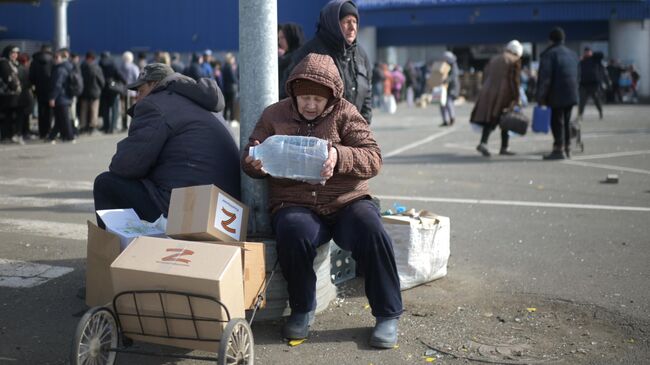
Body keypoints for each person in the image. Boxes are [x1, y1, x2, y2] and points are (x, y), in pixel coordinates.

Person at [242, 53, 403, 348]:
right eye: (304, 98)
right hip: (296, 203)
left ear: (332, 97)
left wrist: (339, 155)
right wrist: (252, 162)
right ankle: (302, 309)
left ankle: (387, 314)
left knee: (372, 228)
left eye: (318, 100)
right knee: (292, 230)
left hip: (346, 201)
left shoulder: (346, 113)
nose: (311, 105)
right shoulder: (274, 115)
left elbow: (374, 158)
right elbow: (251, 151)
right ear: (293, 92)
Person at [93, 63, 240, 227]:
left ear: (154, 84)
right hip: (228, 212)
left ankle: (116, 250)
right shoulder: (203, 103)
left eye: (140, 91)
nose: (138, 98)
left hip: (188, 211)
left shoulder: (155, 104)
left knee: (105, 184)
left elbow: (125, 165)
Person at [290, 0, 373, 124]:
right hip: (319, 135)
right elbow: (292, 95)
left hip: (352, 131)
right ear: (333, 23)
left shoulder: (361, 54)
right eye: (346, 22)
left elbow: (367, 93)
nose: (352, 28)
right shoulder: (311, 53)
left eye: (355, 22)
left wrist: (363, 124)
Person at [470, 40, 523, 156]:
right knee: (506, 119)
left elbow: (485, 75)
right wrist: (517, 97)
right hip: (503, 94)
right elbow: (514, 81)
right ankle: (503, 147)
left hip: (488, 91)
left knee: (491, 119)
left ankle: (484, 143)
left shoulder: (494, 59)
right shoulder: (515, 61)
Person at [536, 27, 579, 160]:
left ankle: (558, 149)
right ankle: (568, 147)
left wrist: (541, 96)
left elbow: (545, 78)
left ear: (550, 40)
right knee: (566, 121)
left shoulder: (549, 55)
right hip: (572, 92)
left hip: (556, 93)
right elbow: (579, 75)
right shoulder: (573, 54)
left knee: (557, 121)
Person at [47, 48, 75, 143]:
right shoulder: (68, 67)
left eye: (56, 57)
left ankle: (69, 136)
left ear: (61, 58)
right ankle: (54, 136)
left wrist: (52, 98)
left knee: (63, 118)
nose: (54, 59)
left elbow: (57, 85)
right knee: (60, 118)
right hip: (65, 97)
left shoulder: (60, 69)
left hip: (61, 97)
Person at [29, 44, 54, 139]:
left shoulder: (34, 61)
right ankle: (48, 131)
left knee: (41, 111)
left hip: (39, 90)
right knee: (49, 112)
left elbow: (31, 77)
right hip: (50, 90)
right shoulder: (52, 61)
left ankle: (42, 132)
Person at [0, 45, 23, 143]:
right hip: (6, 94)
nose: (15, 55)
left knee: (12, 115)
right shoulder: (4, 63)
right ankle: (7, 135)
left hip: (14, 94)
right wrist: (16, 86)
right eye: (13, 53)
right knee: (7, 116)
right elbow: (8, 78)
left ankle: (12, 134)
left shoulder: (14, 63)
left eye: (16, 53)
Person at [79, 51, 105, 134]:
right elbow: (101, 81)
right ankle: (93, 126)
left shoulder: (81, 67)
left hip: (84, 92)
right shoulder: (96, 67)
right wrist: (100, 88)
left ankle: (83, 126)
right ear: (92, 58)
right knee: (94, 110)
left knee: (84, 109)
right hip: (95, 91)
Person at [278, 22, 305, 99]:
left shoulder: (299, 57)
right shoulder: (284, 57)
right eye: (279, 38)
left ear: (291, 37)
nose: (279, 42)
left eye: (283, 37)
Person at [577, 47, 605, 120]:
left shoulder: (595, 59)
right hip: (583, 84)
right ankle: (580, 115)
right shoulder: (582, 61)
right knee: (582, 101)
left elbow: (601, 54)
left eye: (588, 52)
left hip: (594, 84)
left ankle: (600, 112)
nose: (586, 53)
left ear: (591, 52)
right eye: (585, 52)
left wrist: (592, 54)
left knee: (596, 100)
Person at [440, 51, 460, 127]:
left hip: (452, 87)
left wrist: (446, 80)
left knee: (449, 102)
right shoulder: (444, 65)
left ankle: (452, 118)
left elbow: (454, 76)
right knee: (442, 104)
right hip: (444, 87)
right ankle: (445, 120)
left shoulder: (453, 65)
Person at [221, 52, 238, 121]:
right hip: (231, 88)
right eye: (233, 59)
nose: (234, 60)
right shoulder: (230, 67)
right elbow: (233, 78)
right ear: (230, 59)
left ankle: (225, 118)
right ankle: (232, 119)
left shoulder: (224, 66)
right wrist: (238, 82)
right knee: (232, 104)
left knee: (226, 105)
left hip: (226, 88)